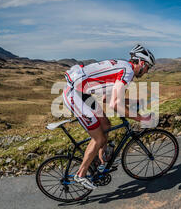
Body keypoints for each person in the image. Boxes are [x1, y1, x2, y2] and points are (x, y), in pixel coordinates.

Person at [62, 44, 156, 190]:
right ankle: (80, 174)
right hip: (74, 95)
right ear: (142, 63)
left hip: (82, 93)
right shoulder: (128, 72)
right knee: (98, 138)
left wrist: (134, 103)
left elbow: (107, 98)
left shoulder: (125, 67)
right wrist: (141, 118)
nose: (146, 72)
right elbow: (115, 104)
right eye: (148, 68)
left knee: (106, 125)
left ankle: (99, 163)